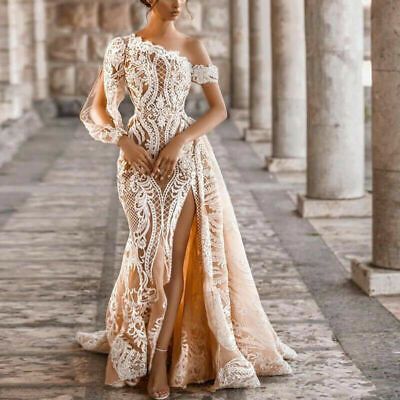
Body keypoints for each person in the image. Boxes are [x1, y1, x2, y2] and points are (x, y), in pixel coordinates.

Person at [76, 0, 297, 399]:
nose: (177, 2)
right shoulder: (122, 48)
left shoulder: (192, 46)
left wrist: (181, 139)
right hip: (138, 162)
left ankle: (160, 360)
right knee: (147, 257)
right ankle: (137, 346)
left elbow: (218, 110)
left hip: (184, 162)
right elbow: (99, 108)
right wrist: (123, 140)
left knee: (176, 262)